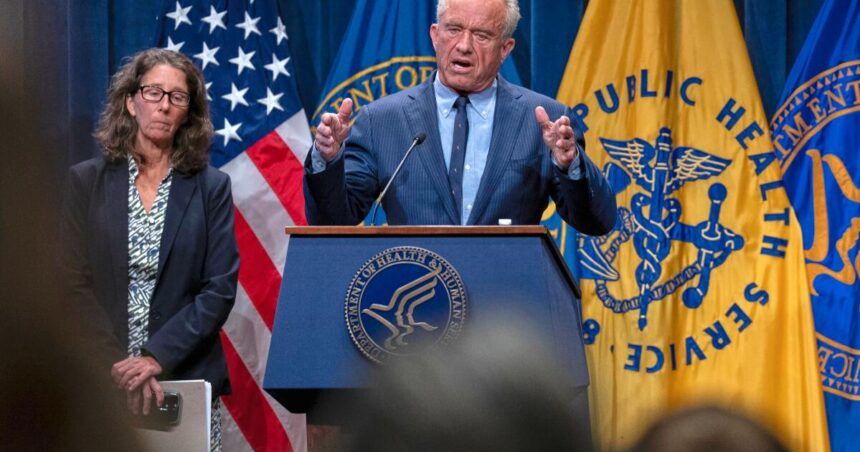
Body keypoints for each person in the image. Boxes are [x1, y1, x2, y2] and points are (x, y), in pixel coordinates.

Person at [60, 48, 238, 451]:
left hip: (183, 376)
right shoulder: (85, 182)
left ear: (188, 112)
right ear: (131, 101)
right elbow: (71, 285)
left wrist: (156, 357)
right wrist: (116, 365)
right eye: (154, 92)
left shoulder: (212, 188)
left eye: (177, 97)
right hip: (102, 379)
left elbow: (219, 289)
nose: (164, 105)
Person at [305, 0, 616, 231]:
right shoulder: (382, 121)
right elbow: (334, 220)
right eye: (454, 29)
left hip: (509, 298)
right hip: (416, 292)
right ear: (435, 35)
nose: (464, 46)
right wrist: (328, 160)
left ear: (505, 48)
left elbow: (596, 222)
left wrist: (569, 164)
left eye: (481, 35)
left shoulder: (544, 121)